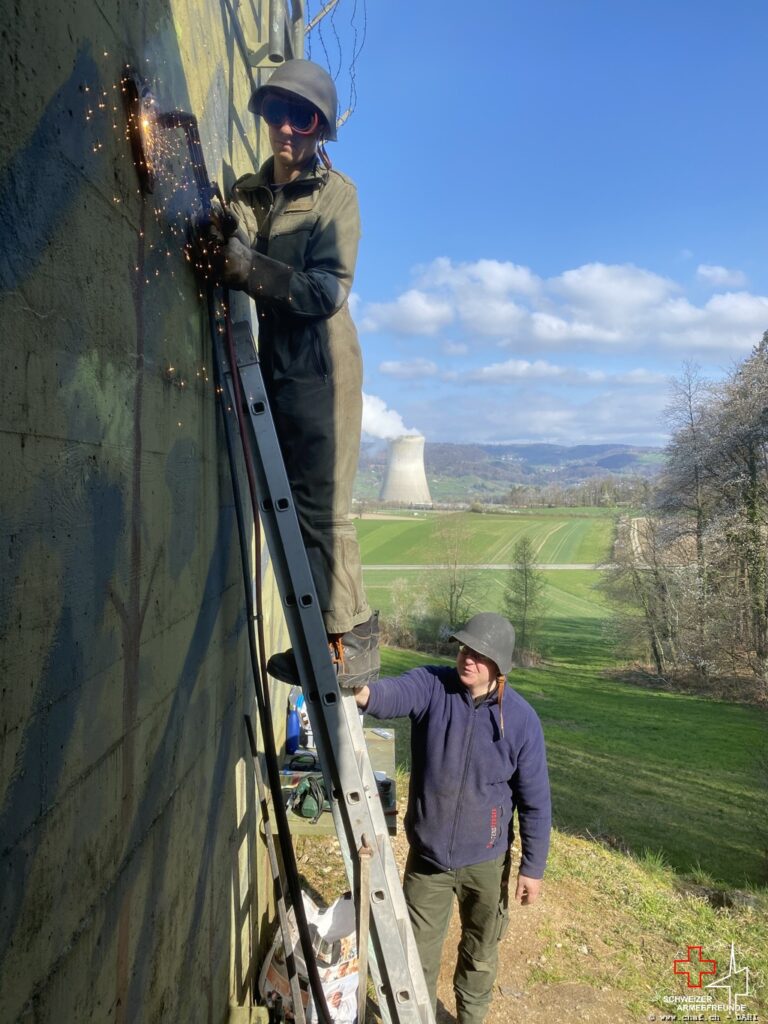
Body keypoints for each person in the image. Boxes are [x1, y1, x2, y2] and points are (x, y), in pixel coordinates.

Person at [196, 59, 378, 687]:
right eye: (278, 113)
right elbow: (237, 235)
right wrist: (222, 231)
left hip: (325, 368)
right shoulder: (251, 193)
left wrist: (248, 268)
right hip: (273, 365)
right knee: (293, 505)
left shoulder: (335, 198)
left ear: (319, 130)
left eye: (302, 118)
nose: (287, 130)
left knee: (324, 507)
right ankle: (314, 641)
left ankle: (351, 645)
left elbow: (328, 290)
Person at [354, 613, 551, 1024]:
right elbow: (391, 694)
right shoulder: (433, 686)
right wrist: (362, 692)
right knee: (415, 956)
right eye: (464, 648)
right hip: (428, 862)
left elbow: (535, 801)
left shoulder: (521, 720)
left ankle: (471, 1018)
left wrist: (532, 868)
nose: (467, 659)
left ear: (499, 666)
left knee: (480, 953)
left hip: (486, 860)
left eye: (479, 654)